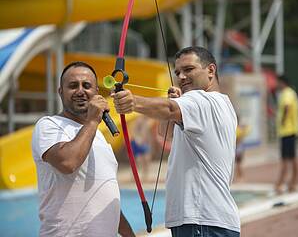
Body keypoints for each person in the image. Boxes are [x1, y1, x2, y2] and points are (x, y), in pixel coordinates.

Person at [112, 46, 240, 237]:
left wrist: (133, 102)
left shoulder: (203, 100)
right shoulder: (219, 103)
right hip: (206, 221)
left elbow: (170, 110)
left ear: (211, 70)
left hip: (202, 221)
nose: (181, 76)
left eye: (189, 70)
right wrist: (174, 102)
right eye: (178, 72)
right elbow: (166, 132)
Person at [31, 61, 135, 237]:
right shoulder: (48, 125)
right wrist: (93, 120)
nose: (80, 91)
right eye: (73, 86)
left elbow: (106, 198)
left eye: (87, 86)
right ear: (60, 92)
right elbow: (68, 163)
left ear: (96, 93)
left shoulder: (99, 137)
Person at [274, 75, 298, 194]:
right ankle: (293, 183)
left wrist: (283, 121)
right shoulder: (291, 92)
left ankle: (281, 183)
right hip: (290, 131)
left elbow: (287, 106)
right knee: (292, 158)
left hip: (288, 131)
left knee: (286, 159)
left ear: (282, 82)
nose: (277, 85)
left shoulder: (287, 93)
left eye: (278, 83)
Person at [130, 115, 153, 182]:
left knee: (146, 160)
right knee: (139, 160)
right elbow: (134, 131)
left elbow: (147, 133)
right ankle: (134, 176)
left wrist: (149, 143)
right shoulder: (140, 120)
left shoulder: (148, 120)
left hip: (145, 142)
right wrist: (137, 138)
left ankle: (145, 176)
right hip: (139, 142)